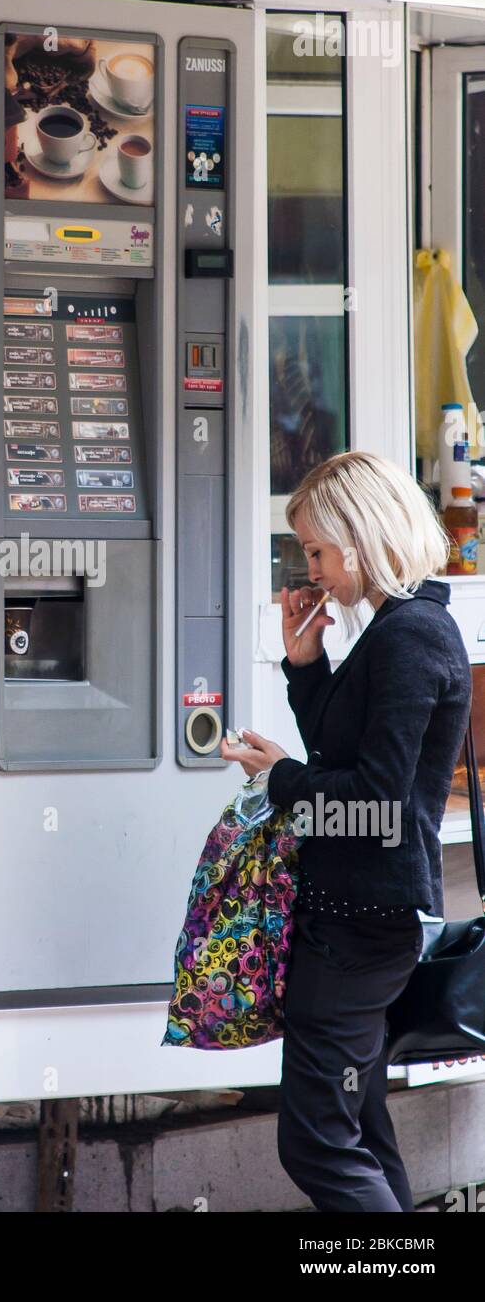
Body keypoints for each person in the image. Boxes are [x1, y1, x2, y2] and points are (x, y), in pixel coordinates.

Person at [220, 451, 472, 1212]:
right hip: (359, 921)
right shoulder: (399, 629)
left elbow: (375, 802)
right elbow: (353, 757)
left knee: (319, 1143)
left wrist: (280, 779)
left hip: (361, 929)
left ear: (360, 540)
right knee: (356, 1128)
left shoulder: (410, 636)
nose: (314, 571)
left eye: (320, 552)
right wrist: (306, 669)